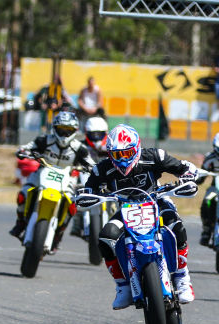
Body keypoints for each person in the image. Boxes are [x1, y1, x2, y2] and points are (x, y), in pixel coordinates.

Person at [81, 124, 199, 309]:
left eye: (127, 153)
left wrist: (188, 175)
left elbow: (183, 168)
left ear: (136, 148)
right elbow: (88, 189)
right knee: (106, 237)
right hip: (126, 209)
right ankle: (123, 286)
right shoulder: (101, 169)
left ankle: (182, 277)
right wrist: (87, 195)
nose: (123, 159)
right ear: (110, 154)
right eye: (117, 155)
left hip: (156, 201)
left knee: (176, 226)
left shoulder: (155, 156)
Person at [10, 111, 95, 244]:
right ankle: (20, 222)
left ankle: (59, 233)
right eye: (61, 130)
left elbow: (91, 163)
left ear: (75, 131)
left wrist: (92, 169)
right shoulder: (43, 140)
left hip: (67, 178)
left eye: (68, 130)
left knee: (72, 204)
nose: (64, 134)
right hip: (42, 172)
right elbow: (27, 148)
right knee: (23, 194)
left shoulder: (80, 148)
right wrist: (23, 152)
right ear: (54, 128)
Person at [70, 115, 110, 237]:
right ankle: (76, 222)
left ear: (105, 133)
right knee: (72, 194)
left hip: (107, 179)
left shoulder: (111, 145)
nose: (96, 137)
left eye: (99, 134)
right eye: (93, 134)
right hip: (86, 177)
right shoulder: (79, 146)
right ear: (87, 133)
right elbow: (71, 160)